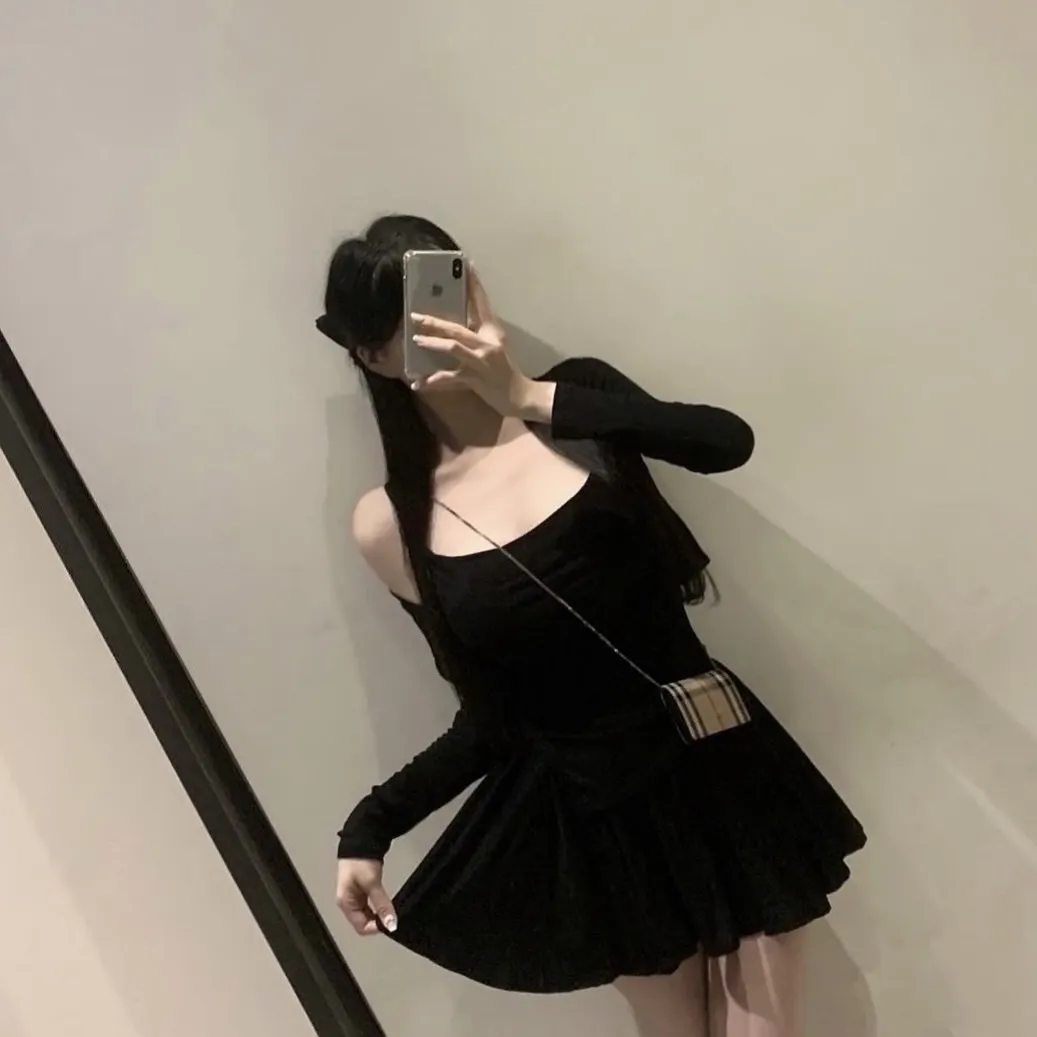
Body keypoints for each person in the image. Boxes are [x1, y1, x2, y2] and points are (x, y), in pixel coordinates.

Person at [316, 214, 866, 1037]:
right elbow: (490, 717)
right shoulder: (390, 522)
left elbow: (725, 441)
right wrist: (371, 825)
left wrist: (525, 396)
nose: (441, 323)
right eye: (407, 320)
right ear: (370, 356)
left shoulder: (573, 401)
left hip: (716, 757)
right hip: (597, 810)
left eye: (447, 288)